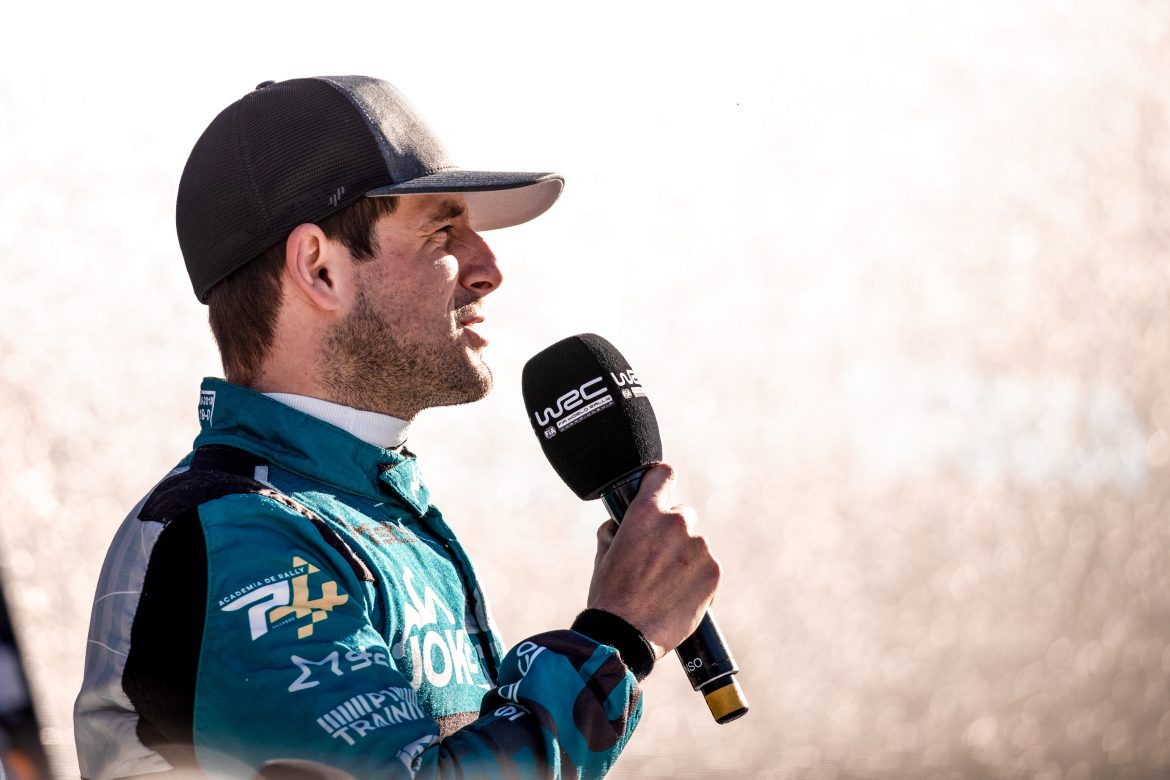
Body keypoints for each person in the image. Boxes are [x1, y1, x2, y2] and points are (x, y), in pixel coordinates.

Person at [74, 76, 721, 779]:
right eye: (443, 231)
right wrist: (616, 637)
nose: (490, 269)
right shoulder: (235, 536)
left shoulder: (359, 506)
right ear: (319, 269)